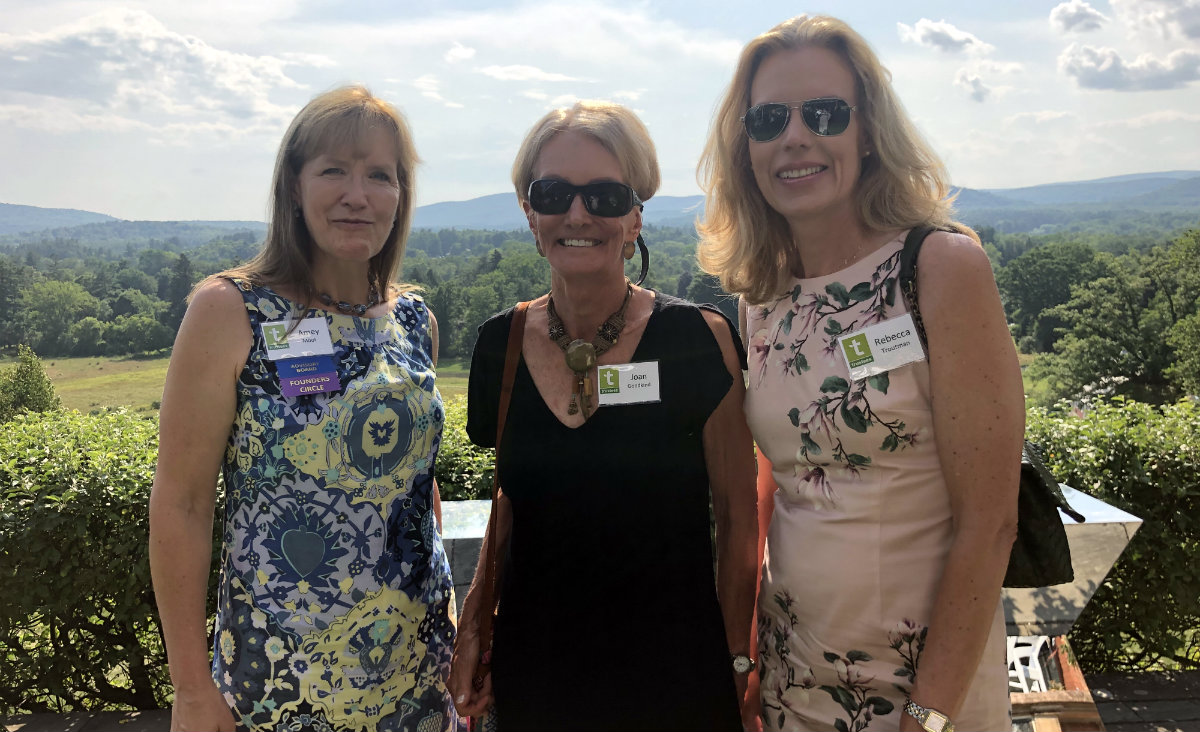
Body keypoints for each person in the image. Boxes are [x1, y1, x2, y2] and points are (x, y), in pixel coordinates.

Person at [697, 15, 1023, 732]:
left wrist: (928, 714)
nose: (795, 137)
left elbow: (991, 521)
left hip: (924, 682)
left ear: (867, 131)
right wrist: (745, 659)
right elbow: (772, 484)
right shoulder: (762, 298)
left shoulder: (939, 269)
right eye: (769, 118)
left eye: (824, 113)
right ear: (745, 144)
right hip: (793, 678)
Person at [149, 85, 461, 732]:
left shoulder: (413, 320)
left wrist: (451, 614)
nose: (358, 194)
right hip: (277, 679)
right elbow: (181, 504)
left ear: (401, 196)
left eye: (380, 174)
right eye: (334, 170)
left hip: (417, 666)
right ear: (294, 186)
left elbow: (415, 485)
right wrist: (190, 689)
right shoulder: (230, 311)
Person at [447, 100, 760, 731]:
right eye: (554, 193)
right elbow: (509, 501)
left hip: (676, 672)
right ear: (528, 212)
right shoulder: (499, 347)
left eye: (607, 196)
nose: (578, 215)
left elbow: (737, 515)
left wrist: (734, 661)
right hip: (538, 669)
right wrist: (476, 623)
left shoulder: (698, 339)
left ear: (637, 215)